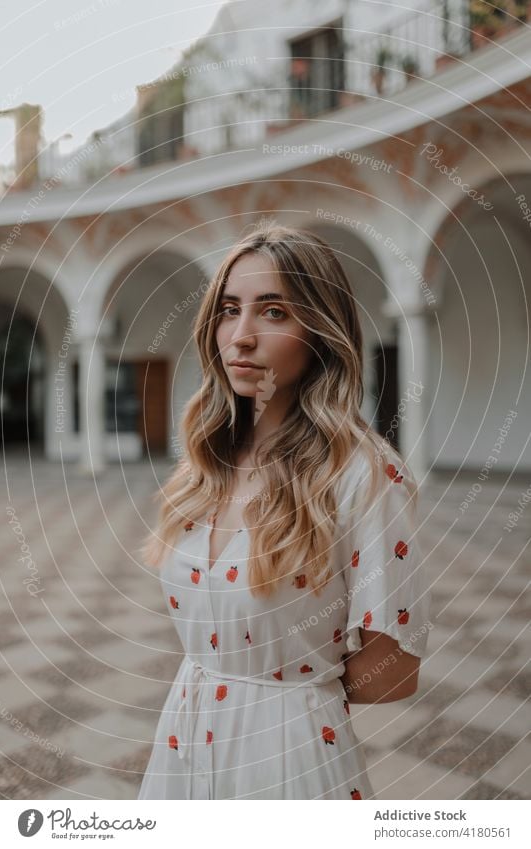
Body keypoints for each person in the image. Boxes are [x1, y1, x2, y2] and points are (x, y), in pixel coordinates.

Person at [137, 221, 432, 800]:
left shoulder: (361, 474)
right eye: (229, 310)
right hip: (183, 740)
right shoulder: (206, 462)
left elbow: (392, 673)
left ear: (320, 333)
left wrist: (290, 689)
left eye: (273, 312)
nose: (241, 336)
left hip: (286, 759)